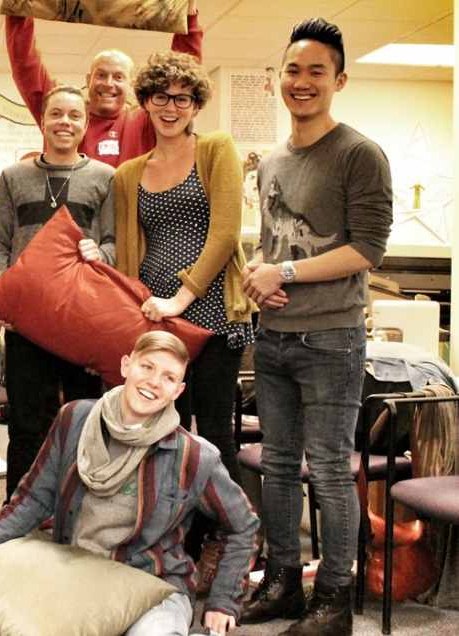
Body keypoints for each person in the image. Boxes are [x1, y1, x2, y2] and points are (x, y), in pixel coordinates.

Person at [0, 332, 259, 636]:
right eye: (147, 367)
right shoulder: (75, 420)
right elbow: (28, 503)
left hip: (150, 584)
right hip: (75, 574)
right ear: (127, 366)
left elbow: (243, 525)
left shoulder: (193, 455)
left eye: (168, 377)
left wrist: (223, 601)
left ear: (178, 391)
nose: (154, 382)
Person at [240, 18, 392, 636]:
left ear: (339, 80)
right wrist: (261, 270)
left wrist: (288, 272)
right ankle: (281, 582)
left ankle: (332, 599)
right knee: (277, 466)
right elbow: (278, 244)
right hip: (274, 339)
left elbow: (368, 250)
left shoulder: (359, 153)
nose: (302, 83)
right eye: (293, 70)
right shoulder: (273, 160)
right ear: (280, 77)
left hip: (332, 338)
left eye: (316, 72)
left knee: (328, 468)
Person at [112, 50, 257, 591]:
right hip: (158, 317)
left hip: (211, 313)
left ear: (196, 104)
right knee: (168, 432)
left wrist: (181, 296)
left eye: (182, 98)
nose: (170, 107)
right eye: (159, 96)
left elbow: (225, 234)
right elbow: (131, 250)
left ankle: (231, 543)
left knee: (216, 434)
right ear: (145, 101)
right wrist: (138, 303)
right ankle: (180, 541)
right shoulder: (129, 173)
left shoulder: (216, 147)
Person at [0, 84, 115, 500]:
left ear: (85, 123)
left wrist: (102, 253)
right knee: (26, 422)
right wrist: (0, 293)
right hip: (26, 321)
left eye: (74, 115)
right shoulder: (13, 176)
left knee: (82, 417)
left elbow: (114, 243)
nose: (65, 122)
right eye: (56, 114)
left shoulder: (104, 177)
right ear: (42, 121)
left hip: (80, 319)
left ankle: (77, 506)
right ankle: (18, 508)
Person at [5, 0, 201, 166]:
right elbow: (25, 66)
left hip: (127, 212)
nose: (108, 83)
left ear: (131, 85)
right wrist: (18, 9)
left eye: (118, 77)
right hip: (68, 211)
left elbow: (182, 78)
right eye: (101, 75)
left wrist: (189, 19)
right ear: (89, 79)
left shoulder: (145, 121)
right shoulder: (64, 115)